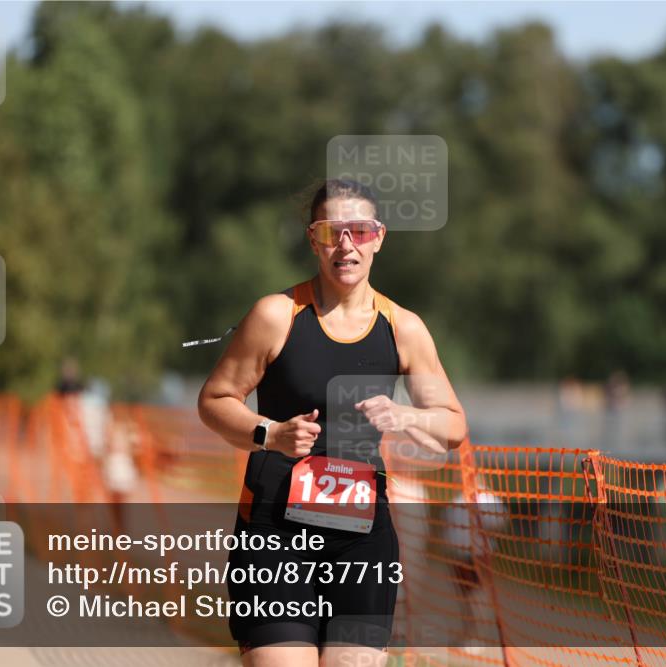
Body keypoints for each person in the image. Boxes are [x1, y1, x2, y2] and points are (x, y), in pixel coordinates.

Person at [197, 179, 468, 666]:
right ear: (313, 240)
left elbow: (452, 426)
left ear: (378, 238)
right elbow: (214, 400)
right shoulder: (277, 316)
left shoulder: (402, 327)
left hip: (361, 543)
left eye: (359, 232)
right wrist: (270, 434)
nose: (346, 245)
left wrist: (404, 414)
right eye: (331, 232)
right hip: (275, 535)